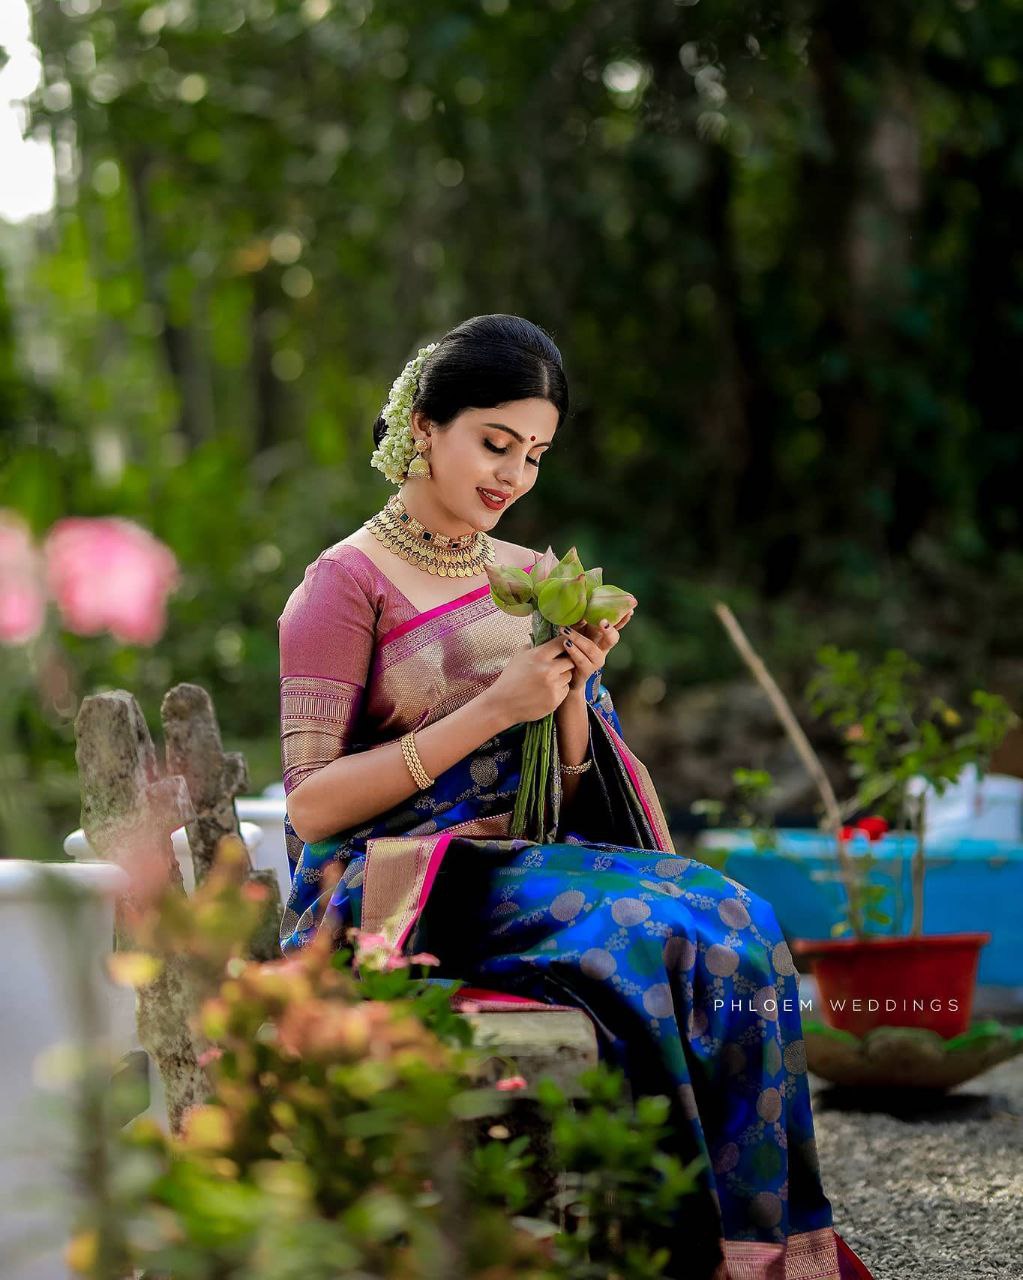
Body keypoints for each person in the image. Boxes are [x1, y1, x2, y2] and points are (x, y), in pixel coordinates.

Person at [277, 314, 874, 1280]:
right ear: (425, 425)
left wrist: (567, 701)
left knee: (740, 911)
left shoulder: (534, 579)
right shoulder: (340, 589)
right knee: (657, 929)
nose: (512, 475)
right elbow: (309, 809)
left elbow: (567, 792)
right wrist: (491, 709)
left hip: (516, 861)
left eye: (535, 454)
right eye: (494, 443)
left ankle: (765, 1251)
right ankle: (669, 1248)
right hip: (392, 886)